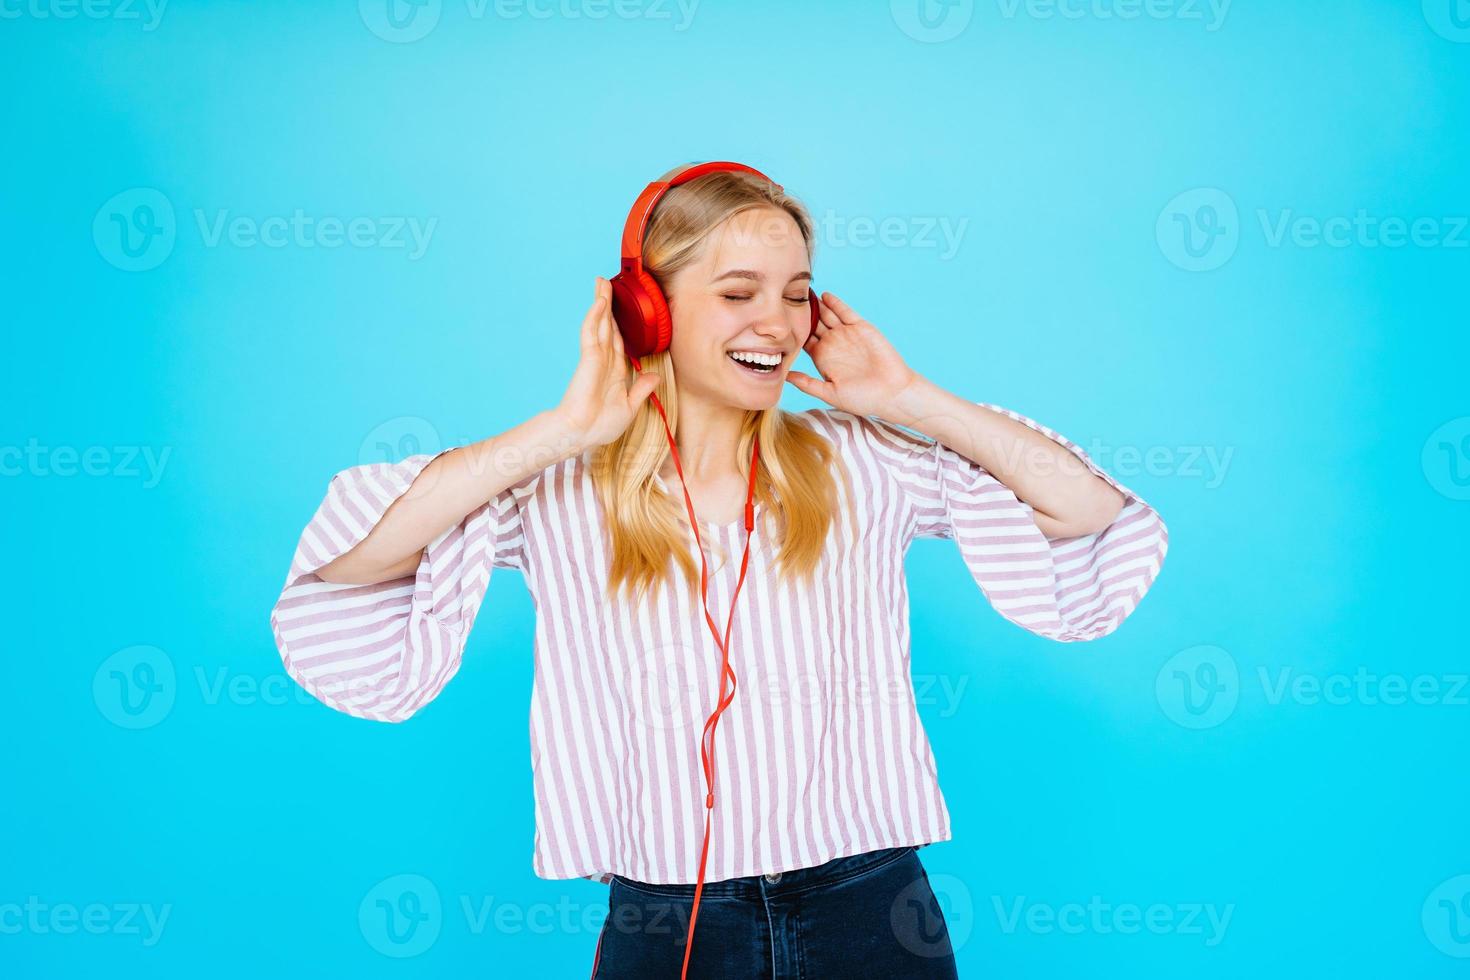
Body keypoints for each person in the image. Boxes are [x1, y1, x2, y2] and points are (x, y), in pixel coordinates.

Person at [268, 166, 1169, 978]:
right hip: (668, 924)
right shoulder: (556, 488)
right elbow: (353, 566)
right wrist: (564, 431)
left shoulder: (863, 459)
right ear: (647, 309)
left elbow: (1088, 512)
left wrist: (908, 399)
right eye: (738, 292)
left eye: (796, 295)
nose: (775, 324)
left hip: (872, 909)